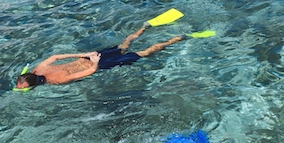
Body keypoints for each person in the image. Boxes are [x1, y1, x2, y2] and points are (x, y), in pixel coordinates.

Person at [15, 23, 185, 89]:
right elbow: (56, 56)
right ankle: (143, 28)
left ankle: (175, 40)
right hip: (88, 58)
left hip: (96, 63)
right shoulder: (39, 68)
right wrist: (87, 54)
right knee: (123, 46)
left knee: (144, 53)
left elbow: (88, 73)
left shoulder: (57, 80)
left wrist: (95, 63)